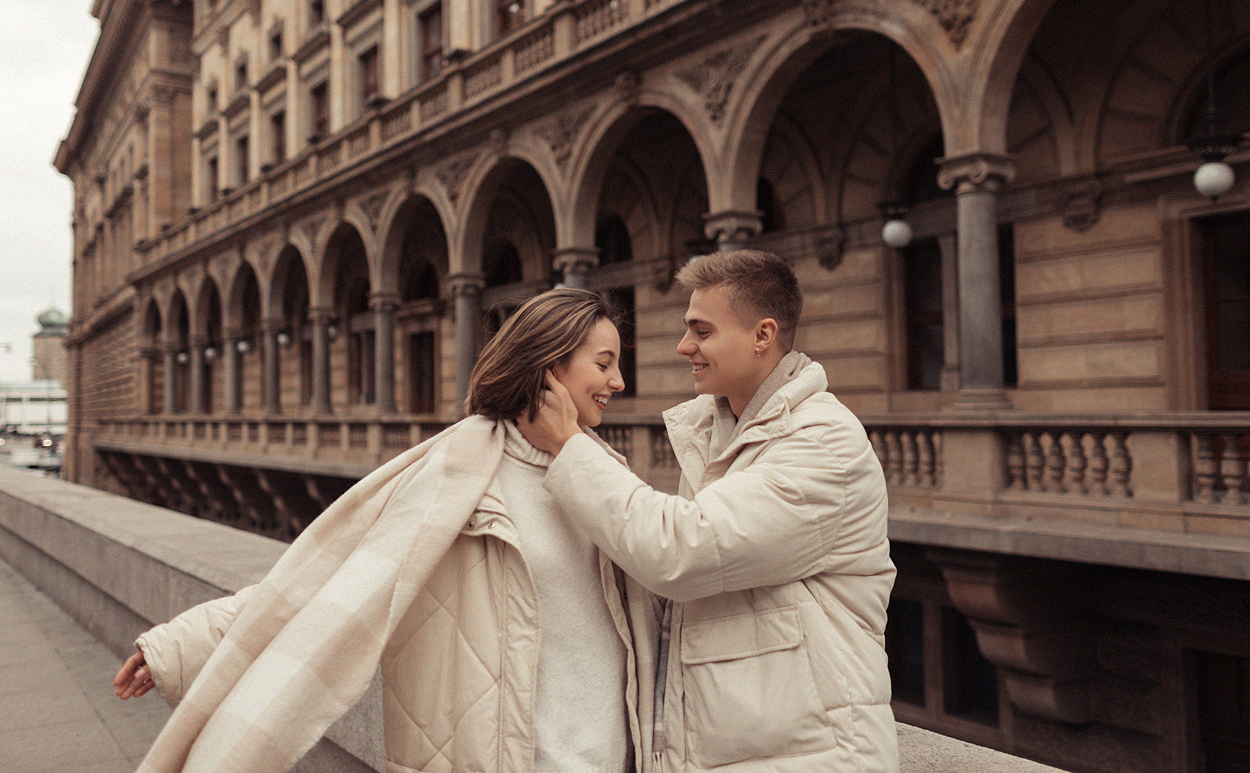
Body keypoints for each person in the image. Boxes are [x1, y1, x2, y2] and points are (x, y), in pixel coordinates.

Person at [114, 288, 657, 773]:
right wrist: (182, 646)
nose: (619, 382)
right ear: (548, 364)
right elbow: (327, 580)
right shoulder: (462, 472)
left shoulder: (606, 476)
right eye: (603, 364)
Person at [519, 250, 898, 773]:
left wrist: (568, 444)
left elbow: (681, 552)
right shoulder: (722, 433)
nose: (683, 346)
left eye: (702, 331)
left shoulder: (822, 443)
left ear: (763, 335)